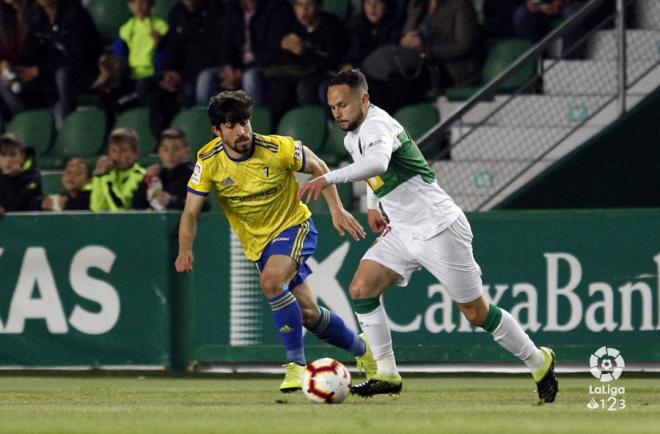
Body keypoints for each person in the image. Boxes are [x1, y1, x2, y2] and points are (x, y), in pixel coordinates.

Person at [298, 69, 558, 402]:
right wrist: (374, 204)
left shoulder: (380, 124)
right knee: (362, 288)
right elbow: (372, 168)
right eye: (332, 107)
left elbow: (377, 163)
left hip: (439, 227)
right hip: (403, 230)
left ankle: (539, 360)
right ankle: (388, 374)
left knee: (476, 312)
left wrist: (328, 179)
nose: (337, 113)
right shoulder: (353, 136)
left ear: (364, 98)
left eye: (343, 105)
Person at [175, 90, 376, 393]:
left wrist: (336, 208)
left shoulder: (277, 148)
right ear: (217, 131)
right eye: (231, 126)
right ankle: (365, 352)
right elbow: (191, 211)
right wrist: (184, 249)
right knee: (308, 314)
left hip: (294, 226)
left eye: (244, 122)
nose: (241, 131)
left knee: (271, 282)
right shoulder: (209, 161)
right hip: (259, 244)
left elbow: (319, 166)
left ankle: (295, 365)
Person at [8, 0, 103, 119]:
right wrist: (13, 69)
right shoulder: (37, 18)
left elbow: (77, 58)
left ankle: (68, 124)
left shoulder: (77, 16)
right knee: (5, 79)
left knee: (63, 75)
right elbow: (31, 53)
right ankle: (26, 123)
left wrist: (39, 70)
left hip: (83, 75)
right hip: (50, 74)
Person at [148, 0, 226, 136]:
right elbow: (172, 47)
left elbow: (212, 54)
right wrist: (169, 72)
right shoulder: (176, 12)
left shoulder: (215, 10)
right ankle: (162, 139)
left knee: (190, 89)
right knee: (147, 86)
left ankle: (204, 134)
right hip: (180, 73)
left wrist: (182, 76)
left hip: (202, 70)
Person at [264, 0, 349, 121]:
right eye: (299, 5)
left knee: (305, 88)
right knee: (278, 88)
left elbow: (332, 63)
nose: (304, 10)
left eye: (309, 5)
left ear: (319, 7)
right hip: (298, 72)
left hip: (323, 74)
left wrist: (304, 52)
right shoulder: (293, 25)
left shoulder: (332, 26)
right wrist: (283, 47)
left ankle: (316, 126)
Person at [93, 0, 169, 113]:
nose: (139, 6)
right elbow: (118, 58)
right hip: (131, 76)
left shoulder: (161, 27)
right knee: (105, 97)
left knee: (139, 91)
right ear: (129, 5)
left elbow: (168, 55)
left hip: (152, 76)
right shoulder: (126, 29)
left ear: (150, 4)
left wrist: (161, 43)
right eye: (134, 2)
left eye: (143, 2)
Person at [218, 0, 294, 106]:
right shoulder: (233, 7)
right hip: (237, 67)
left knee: (249, 77)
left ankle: (256, 120)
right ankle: (202, 121)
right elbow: (225, 44)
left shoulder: (277, 7)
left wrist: (241, 72)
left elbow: (274, 50)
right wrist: (228, 67)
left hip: (267, 65)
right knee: (206, 78)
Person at [132, 128, 204, 211]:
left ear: (186, 153)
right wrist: (145, 182)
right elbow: (137, 207)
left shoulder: (194, 175)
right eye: (165, 149)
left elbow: (203, 205)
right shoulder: (156, 175)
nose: (170, 154)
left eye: (176, 149)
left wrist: (171, 201)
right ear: (160, 152)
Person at [90, 128, 145, 212]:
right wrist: (98, 176)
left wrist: (105, 177)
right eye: (114, 151)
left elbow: (120, 207)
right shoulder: (107, 174)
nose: (118, 155)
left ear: (135, 154)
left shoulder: (140, 175)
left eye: (124, 151)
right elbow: (97, 208)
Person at [343, 0, 402, 70]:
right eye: (368, 2)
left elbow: (384, 57)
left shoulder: (397, 26)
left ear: (387, 6)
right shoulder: (359, 25)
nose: (372, 8)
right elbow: (353, 52)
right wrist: (348, 64)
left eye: (378, 2)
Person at [0, 0, 34, 118]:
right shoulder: (4, 14)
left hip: (36, 71)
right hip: (13, 72)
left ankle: (24, 122)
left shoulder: (37, 9)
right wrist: (3, 65)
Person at [0, 132, 42, 214]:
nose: (8, 160)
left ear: (22, 156)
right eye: (3, 155)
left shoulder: (33, 177)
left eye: (13, 155)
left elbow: (14, 206)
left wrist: (6, 177)